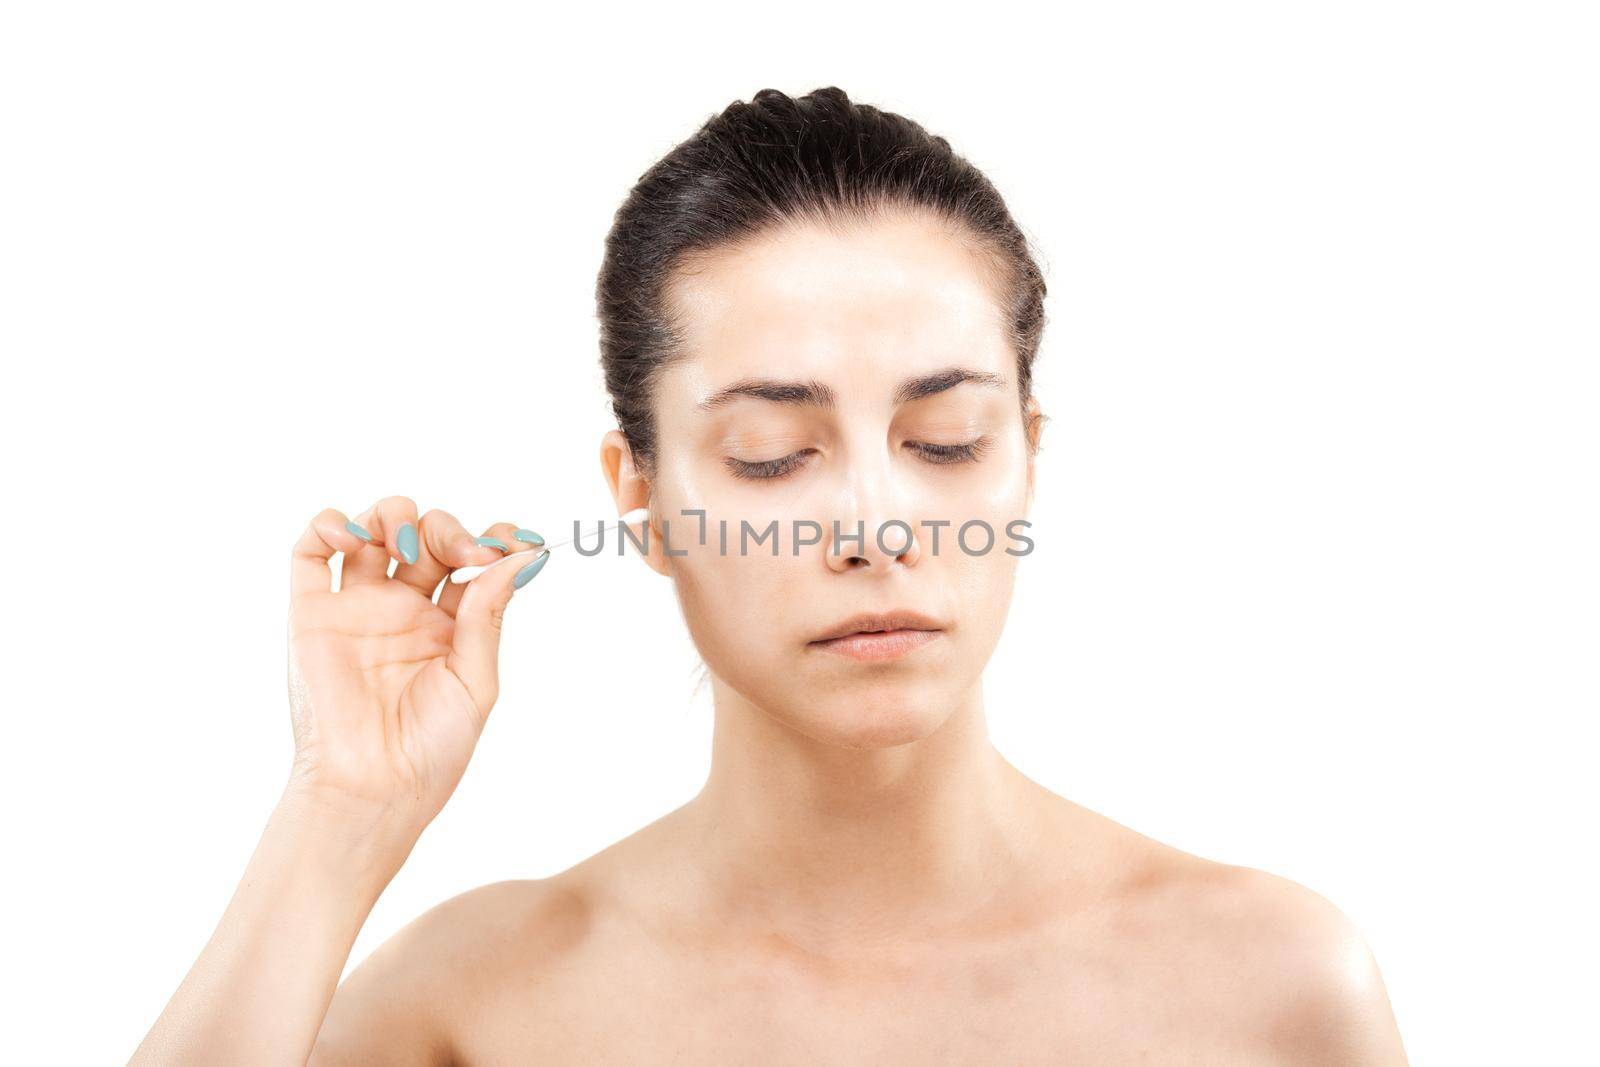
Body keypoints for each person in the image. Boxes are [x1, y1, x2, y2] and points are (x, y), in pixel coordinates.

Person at [132, 86, 1408, 1065]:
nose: (874, 521)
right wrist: (337, 817)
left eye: (945, 440)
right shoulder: (470, 1006)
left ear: (1027, 458)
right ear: (641, 500)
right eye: (771, 454)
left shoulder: (1272, 982)